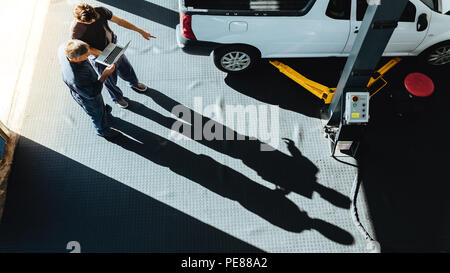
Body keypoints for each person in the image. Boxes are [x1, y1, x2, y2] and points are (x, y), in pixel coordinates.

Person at [71, 3, 156, 109]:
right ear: (79, 20)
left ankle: (134, 83)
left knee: (126, 67)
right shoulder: (76, 32)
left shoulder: (100, 11)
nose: (93, 21)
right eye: (89, 22)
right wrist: (104, 55)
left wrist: (140, 31)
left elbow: (119, 21)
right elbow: (87, 49)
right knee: (109, 79)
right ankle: (117, 97)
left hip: (112, 46)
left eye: (94, 19)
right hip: (98, 56)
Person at [58, 39, 120, 139]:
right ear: (76, 59)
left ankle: (102, 111)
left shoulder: (64, 47)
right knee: (95, 113)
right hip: (87, 95)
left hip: (85, 87)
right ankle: (102, 131)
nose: (88, 56)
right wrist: (105, 74)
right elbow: (93, 93)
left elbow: (87, 50)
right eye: (86, 56)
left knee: (99, 108)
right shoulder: (77, 77)